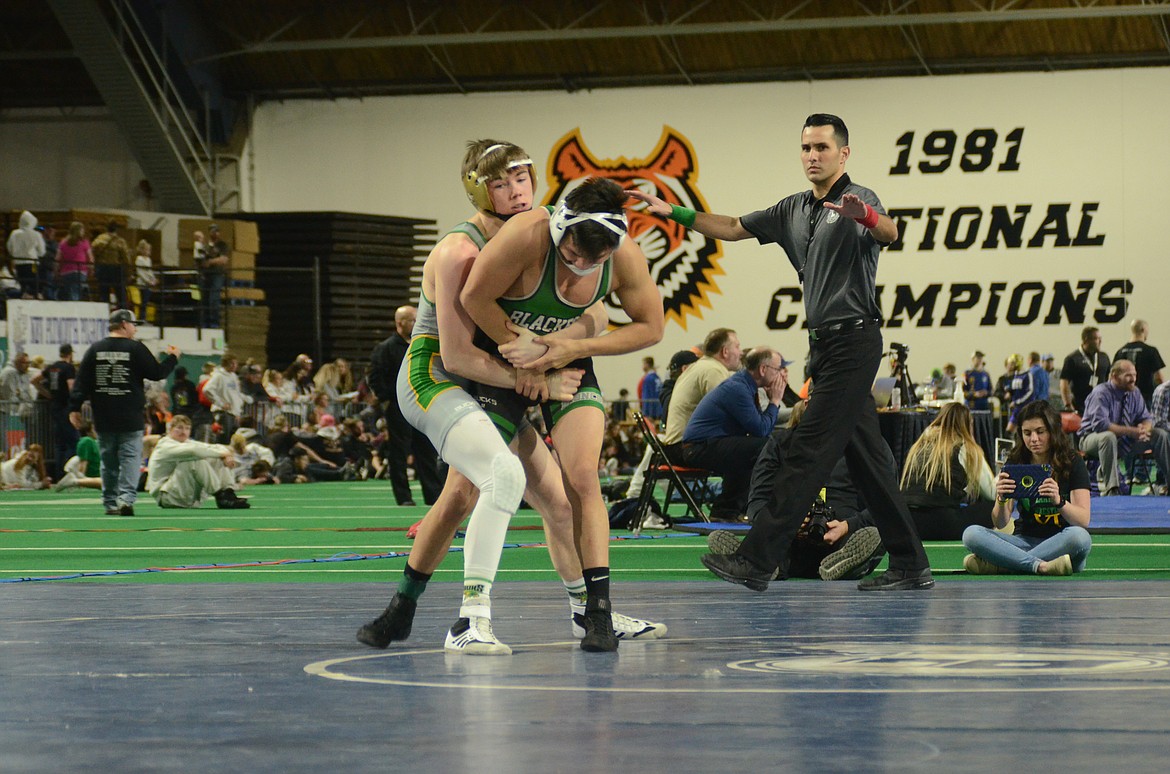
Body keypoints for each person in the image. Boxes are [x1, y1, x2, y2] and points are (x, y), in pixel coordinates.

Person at [630, 112, 932, 591]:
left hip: (855, 339)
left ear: (844, 154)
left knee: (804, 449)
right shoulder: (792, 208)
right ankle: (911, 565)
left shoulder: (861, 198)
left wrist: (866, 217)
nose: (813, 156)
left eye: (823, 148)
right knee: (870, 463)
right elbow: (730, 226)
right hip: (824, 346)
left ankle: (758, 559)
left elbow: (890, 233)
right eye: (806, 148)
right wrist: (676, 214)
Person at [361, 140, 596, 656]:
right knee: (502, 478)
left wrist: (549, 355)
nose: (516, 193)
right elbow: (458, 356)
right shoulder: (458, 251)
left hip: (492, 380)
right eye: (500, 184)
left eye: (521, 179)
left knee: (551, 500)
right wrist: (536, 380)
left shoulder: (541, 233)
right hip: (436, 377)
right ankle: (470, 618)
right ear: (478, 190)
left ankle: (588, 613)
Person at [462, 175, 666, 648]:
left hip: (565, 360)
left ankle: (597, 612)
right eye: (572, 254)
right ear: (560, 229)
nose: (578, 268)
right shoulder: (529, 234)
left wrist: (573, 344)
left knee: (583, 479)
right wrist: (524, 357)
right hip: (502, 359)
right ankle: (463, 616)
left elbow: (651, 328)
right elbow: (473, 297)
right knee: (463, 491)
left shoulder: (623, 256)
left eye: (593, 261)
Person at [705, 400, 886, 581]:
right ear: (808, 404)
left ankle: (758, 562)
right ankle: (763, 560)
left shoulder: (866, 446)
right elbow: (757, 502)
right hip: (788, 539)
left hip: (843, 536)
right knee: (770, 540)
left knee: (873, 534)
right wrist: (786, 524)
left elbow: (884, 504)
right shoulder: (778, 443)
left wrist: (848, 526)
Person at [68, 309, 179, 516]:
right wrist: (172, 358)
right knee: (130, 459)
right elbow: (156, 373)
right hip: (130, 414)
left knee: (108, 461)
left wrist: (74, 408)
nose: (135, 329)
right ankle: (126, 499)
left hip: (103, 414)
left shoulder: (95, 349)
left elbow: (81, 381)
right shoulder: (135, 348)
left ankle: (110, 502)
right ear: (124, 324)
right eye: (133, 325)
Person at [962, 400, 1092, 575]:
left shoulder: (1073, 461)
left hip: (1061, 543)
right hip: (1024, 541)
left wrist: (1059, 501)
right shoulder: (1016, 461)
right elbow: (1000, 523)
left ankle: (1005, 565)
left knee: (1080, 538)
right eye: (1027, 433)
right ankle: (1040, 566)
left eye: (1040, 432)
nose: (1034, 439)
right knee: (971, 534)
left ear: (1052, 431)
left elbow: (1083, 520)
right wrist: (1001, 499)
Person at [680, 347, 791, 521]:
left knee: (752, 450)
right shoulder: (738, 388)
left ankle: (726, 511)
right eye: (777, 370)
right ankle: (747, 508)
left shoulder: (744, 385)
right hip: (698, 448)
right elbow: (761, 430)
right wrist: (775, 401)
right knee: (764, 447)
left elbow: (759, 427)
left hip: (708, 444)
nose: (781, 375)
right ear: (763, 369)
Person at [367, 305, 442, 506]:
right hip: (398, 406)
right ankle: (404, 497)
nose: (416, 323)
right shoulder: (386, 348)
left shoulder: (420, 345)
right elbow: (375, 377)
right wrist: (388, 398)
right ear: (400, 323)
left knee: (426, 450)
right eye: (412, 320)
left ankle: (433, 495)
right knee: (398, 452)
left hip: (421, 404)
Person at [899, 402, 997, 540]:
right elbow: (992, 493)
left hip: (908, 524)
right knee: (994, 506)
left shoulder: (919, 445)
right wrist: (1003, 475)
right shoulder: (965, 446)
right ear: (968, 425)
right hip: (944, 523)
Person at [1077, 359, 1170, 496]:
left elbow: (1146, 417)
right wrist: (1133, 432)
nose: (1133, 379)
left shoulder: (1135, 392)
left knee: (1160, 434)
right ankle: (1113, 489)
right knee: (1108, 437)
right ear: (1114, 376)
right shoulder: (1101, 393)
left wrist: (1144, 429)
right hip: (1092, 439)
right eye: (1128, 375)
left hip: (1126, 440)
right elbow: (1101, 425)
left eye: (1134, 375)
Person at [146, 415, 250, 509]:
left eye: (187, 428)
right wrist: (224, 453)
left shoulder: (186, 442)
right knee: (195, 460)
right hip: (167, 497)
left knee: (216, 458)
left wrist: (226, 455)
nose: (183, 431)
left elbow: (214, 447)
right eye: (179, 428)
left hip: (182, 494)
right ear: (170, 429)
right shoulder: (165, 445)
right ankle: (220, 495)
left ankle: (228, 493)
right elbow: (193, 451)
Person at [35, 344, 78, 479]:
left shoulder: (51, 367)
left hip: (54, 406)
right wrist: (76, 403)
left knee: (60, 443)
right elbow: (71, 386)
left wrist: (48, 394)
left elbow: (34, 380)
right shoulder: (68, 368)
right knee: (73, 441)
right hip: (66, 406)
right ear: (70, 354)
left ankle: (59, 473)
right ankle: (68, 473)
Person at [1060, 326, 1110, 414]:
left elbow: (1110, 380)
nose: (1100, 342)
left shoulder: (1104, 357)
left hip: (1101, 406)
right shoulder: (1073, 358)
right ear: (1086, 340)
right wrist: (1068, 405)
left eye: (1100, 338)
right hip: (1081, 407)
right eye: (1097, 339)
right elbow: (1064, 383)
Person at [1114, 319, 1165, 407]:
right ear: (1143, 330)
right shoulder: (1150, 351)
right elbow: (1158, 378)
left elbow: (1113, 378)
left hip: (1123, 400)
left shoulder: (1120, 352)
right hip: (1145, 399)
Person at [53, 421, 103, 492]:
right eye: (94, 429)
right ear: (88, 432)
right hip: (94, 475)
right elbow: (83, 461)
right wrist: (81, 477)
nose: (96, 432)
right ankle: (74, 481)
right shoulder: (86, 441)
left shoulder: (93, 441)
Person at [91, 221, 131, 309]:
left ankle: (104, 314)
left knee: (103, 293)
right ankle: (122, 314)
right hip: (116, 269)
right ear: (116, 229)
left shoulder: (99, 239)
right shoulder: (120, 241)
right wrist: (128, 272)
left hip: (102, 268)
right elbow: (126, 258)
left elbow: (93, 250)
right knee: (120, 294)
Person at [6, 210, 46, 298]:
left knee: (22, 285)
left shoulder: (14, 234)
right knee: (34, 284)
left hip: (19, 264)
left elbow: (9, 247)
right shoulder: (36, 234)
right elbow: (42, 251)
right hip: (32, 263)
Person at [198, 223, 230, 328]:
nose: (214, 233)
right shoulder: (206, 246)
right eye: (212, 231)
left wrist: (210, 262)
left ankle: (214, 323)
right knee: (205, 299)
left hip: (217, 274)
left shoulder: (222, 245)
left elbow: (223, 259)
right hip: (206, 275)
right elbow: (200, 258)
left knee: (214, 298)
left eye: (216, 231)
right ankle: (205, 323)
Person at [56, 221, 93, 301]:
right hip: (80, 270)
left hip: (66, 272)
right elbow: (90, 257)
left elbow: (58, 258)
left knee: (69, 291)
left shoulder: (63, 243)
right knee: (77, 291)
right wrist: (91, 269)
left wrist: (56, 271)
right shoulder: (84, 242)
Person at [133, 239, 158, 321]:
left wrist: (153, 279)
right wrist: (148, 281)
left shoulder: (148, 260)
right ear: (143, 250)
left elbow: (149, 271)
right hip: (142, 283)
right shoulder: (139, 259)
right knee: (143, 301)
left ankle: (144, 317)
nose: (149, 252)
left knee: (146, 301)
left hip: (149, 283)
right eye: (147, 250)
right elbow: (140, 272)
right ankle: (141, 318)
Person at [637, 356, 662, 420]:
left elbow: (646, 396)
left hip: (651, 411)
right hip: (658, 409)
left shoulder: (648, 378)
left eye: (643, 364)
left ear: (647, 365)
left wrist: (646, 411)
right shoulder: (657, 377)